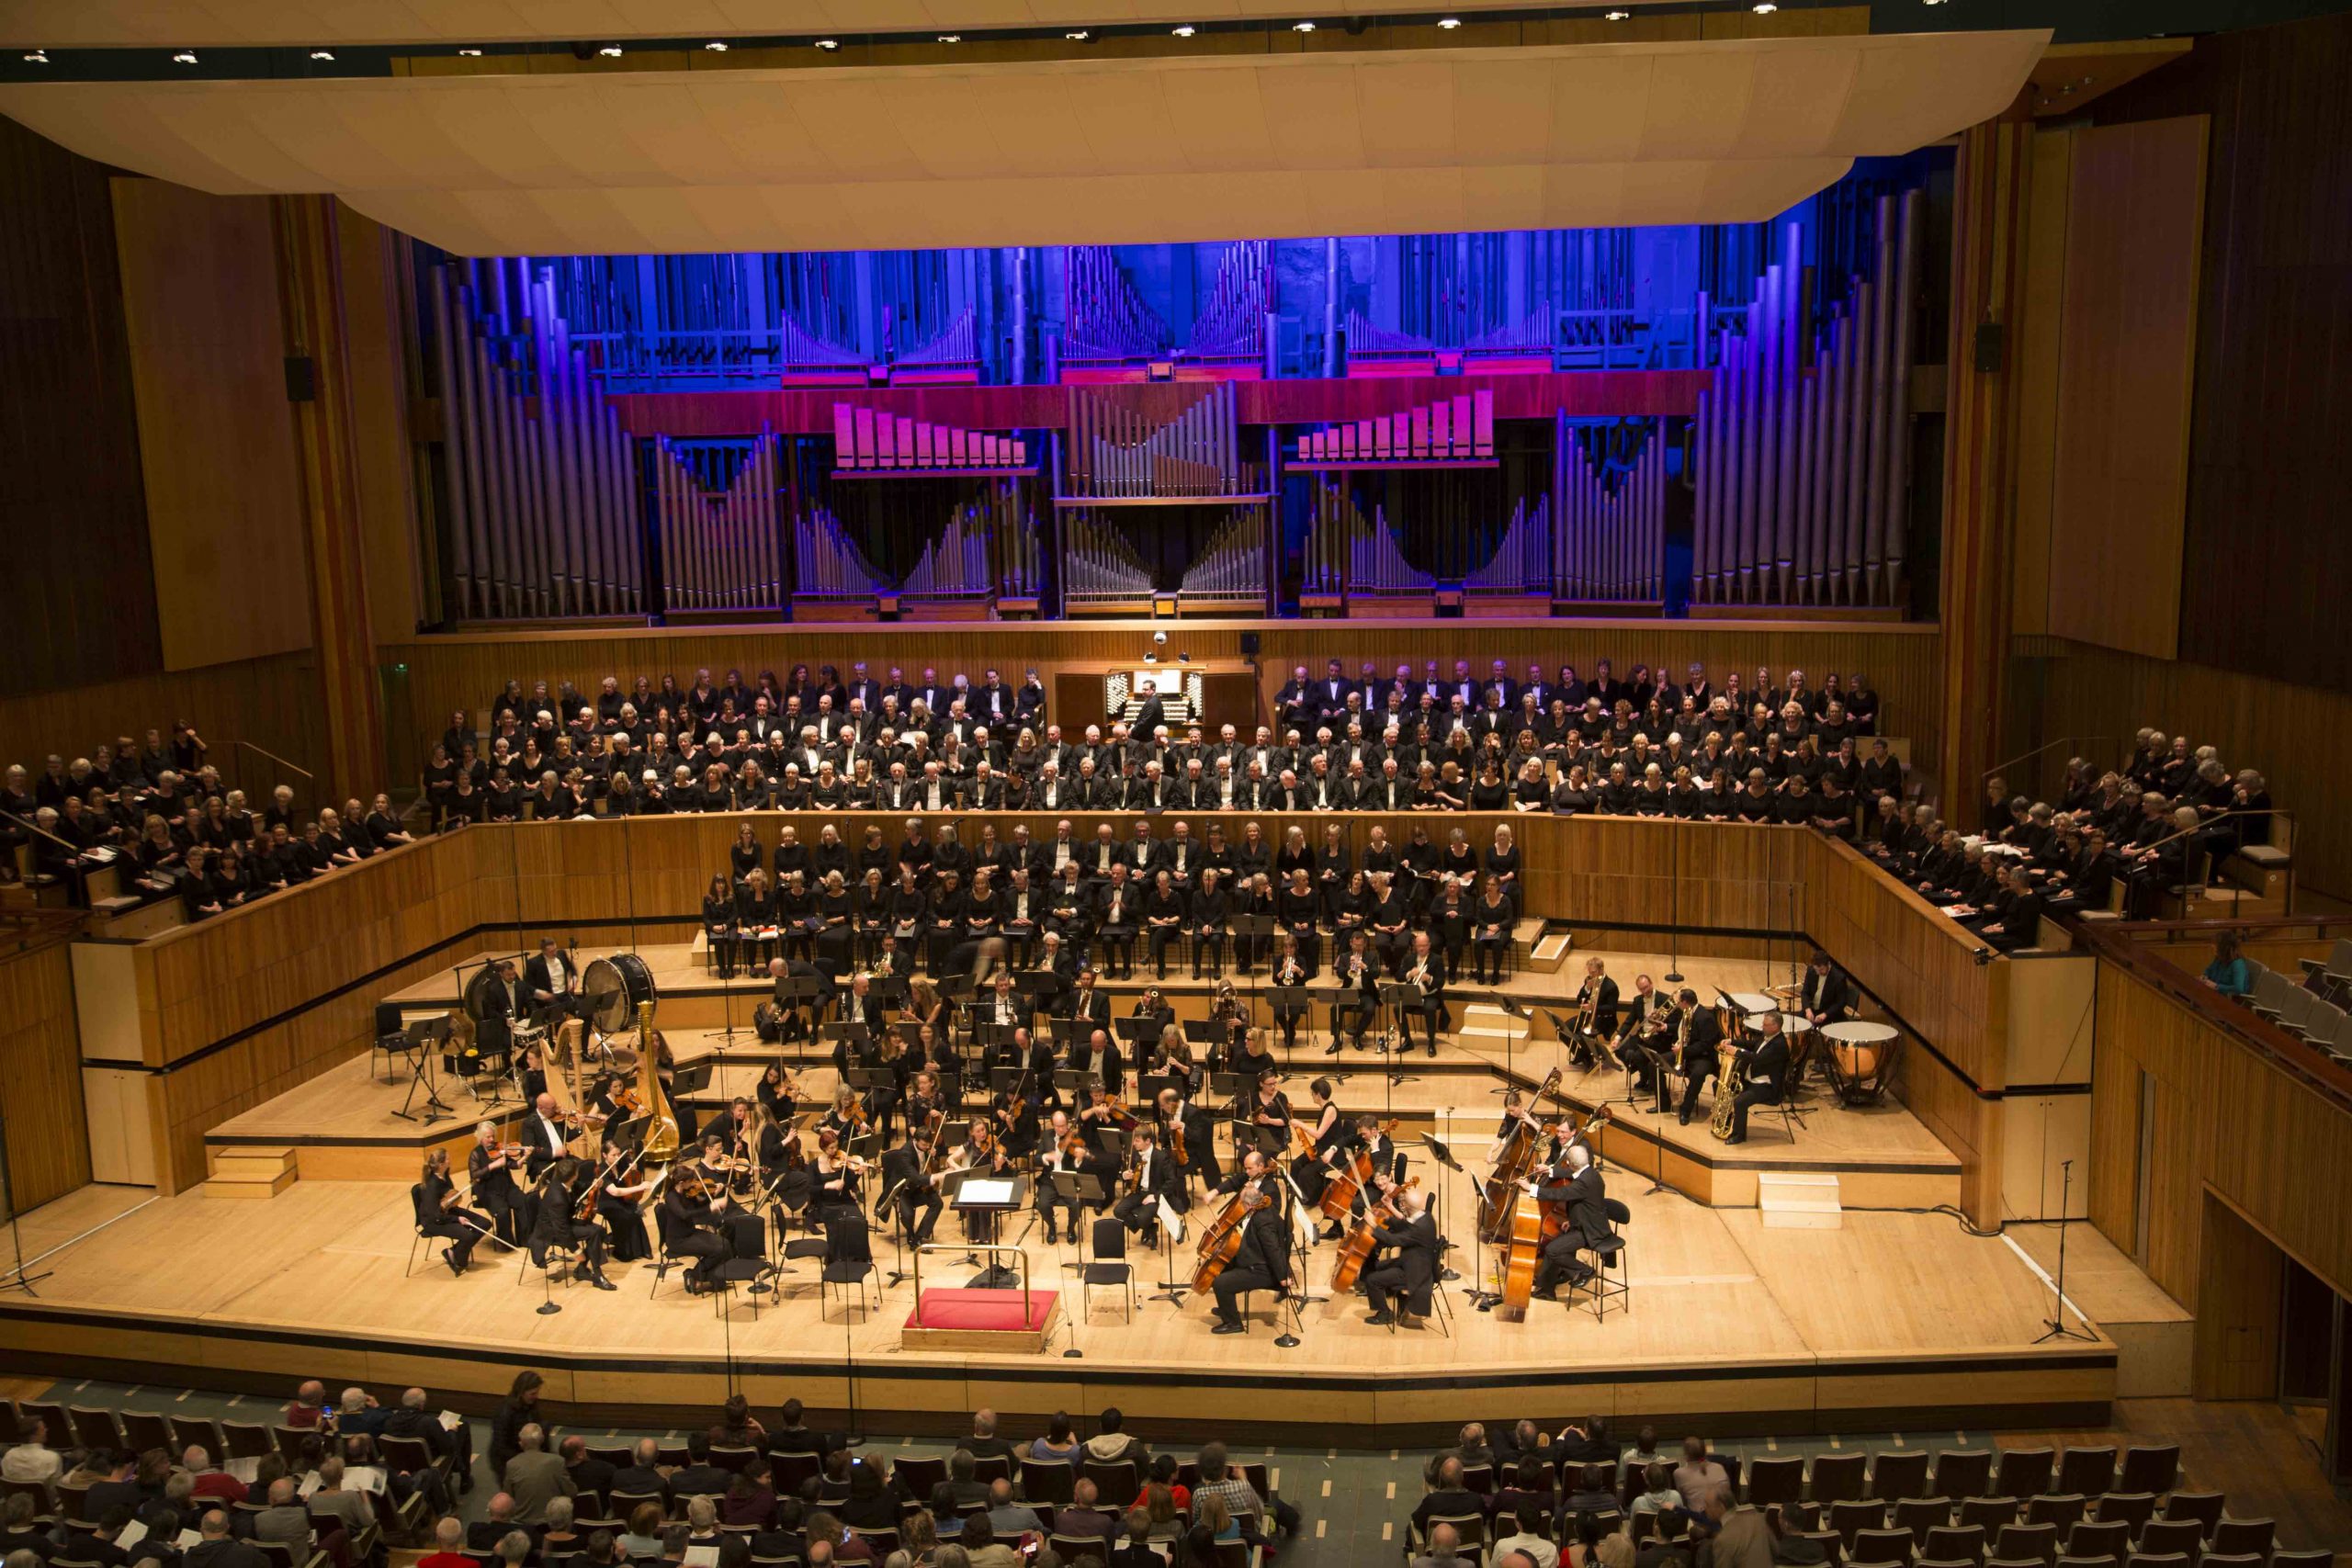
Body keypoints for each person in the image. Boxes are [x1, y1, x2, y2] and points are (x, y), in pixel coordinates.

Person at [1361, 1183, 1438, 1330]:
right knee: (1376, 1266)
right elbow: (1405, 1225)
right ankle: (1396, 1299)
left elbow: (1393, 1240)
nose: (1401, 1204)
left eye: (1403, 1202)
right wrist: (1386, 1218)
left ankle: (1385, 1313)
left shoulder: (1419, 1228)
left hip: (1414, 1273)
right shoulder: (1425, 1216)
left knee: (1371, 1280)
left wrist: (1373, 1226)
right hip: (1414, 1262)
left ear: (1407, 1206)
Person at [503, 1424, 576, 1524]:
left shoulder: (511, 1464)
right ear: (542, 1439)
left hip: (522, 1523)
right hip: (551, 1523)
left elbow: (508, 1498)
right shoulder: (557, 1461)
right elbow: (571, 1492)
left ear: (521, 1443)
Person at [2200, 931, 2252, 998]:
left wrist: (2216, 986)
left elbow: (2239, 989)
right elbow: (2209, 971)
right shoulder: (2219, 958)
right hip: (2216, 995)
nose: (2212, 946)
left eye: (2216, 944)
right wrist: (2204, 977)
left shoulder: (2237, 964)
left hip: (2229, 1000)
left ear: (2224, 947)